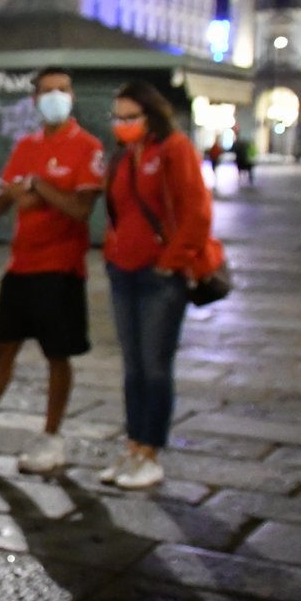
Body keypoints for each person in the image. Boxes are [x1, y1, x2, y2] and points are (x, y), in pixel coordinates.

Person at [0, 68, 103, 471]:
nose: (55, 98)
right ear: (34, 101)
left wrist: (39, 188)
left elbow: (81, 209)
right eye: (46, 92)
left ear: (72, 95)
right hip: (21, 265)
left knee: (57, 355)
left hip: (61, 268)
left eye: (62, 90)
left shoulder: (87, 147)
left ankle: (51, 437)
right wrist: (13, 194)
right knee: (2, 350)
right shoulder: (25, 144)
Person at [101, 80, 214, 490]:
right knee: (132, 367)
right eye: (118, 117)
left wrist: (171, 262)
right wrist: (111, 254)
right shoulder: (122, 156)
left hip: (158, 276)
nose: (123, 124)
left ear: (151, 116)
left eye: (131, 117)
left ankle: (151, 451)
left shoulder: (174, 148)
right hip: (123, 271)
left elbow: (197, 211)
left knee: (154, 365)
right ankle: (133, 446)